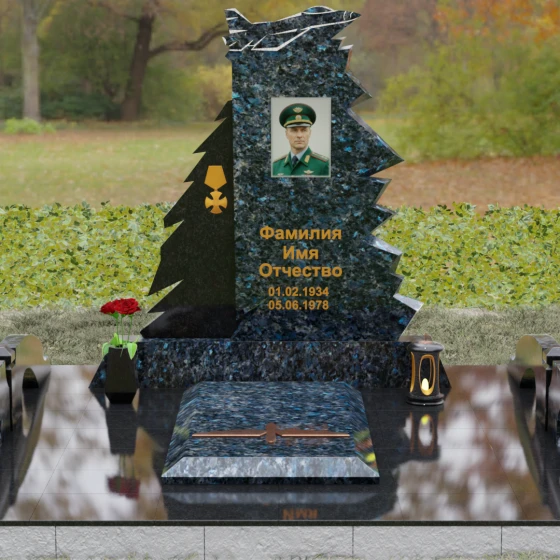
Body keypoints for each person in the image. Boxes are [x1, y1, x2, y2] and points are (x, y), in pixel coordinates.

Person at [272, 103, 330, 177]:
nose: (299, 135)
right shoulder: (275, 166)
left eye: (304, 130)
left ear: (310, 133)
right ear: (286, 134)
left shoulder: (323, 165)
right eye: (294, 130)